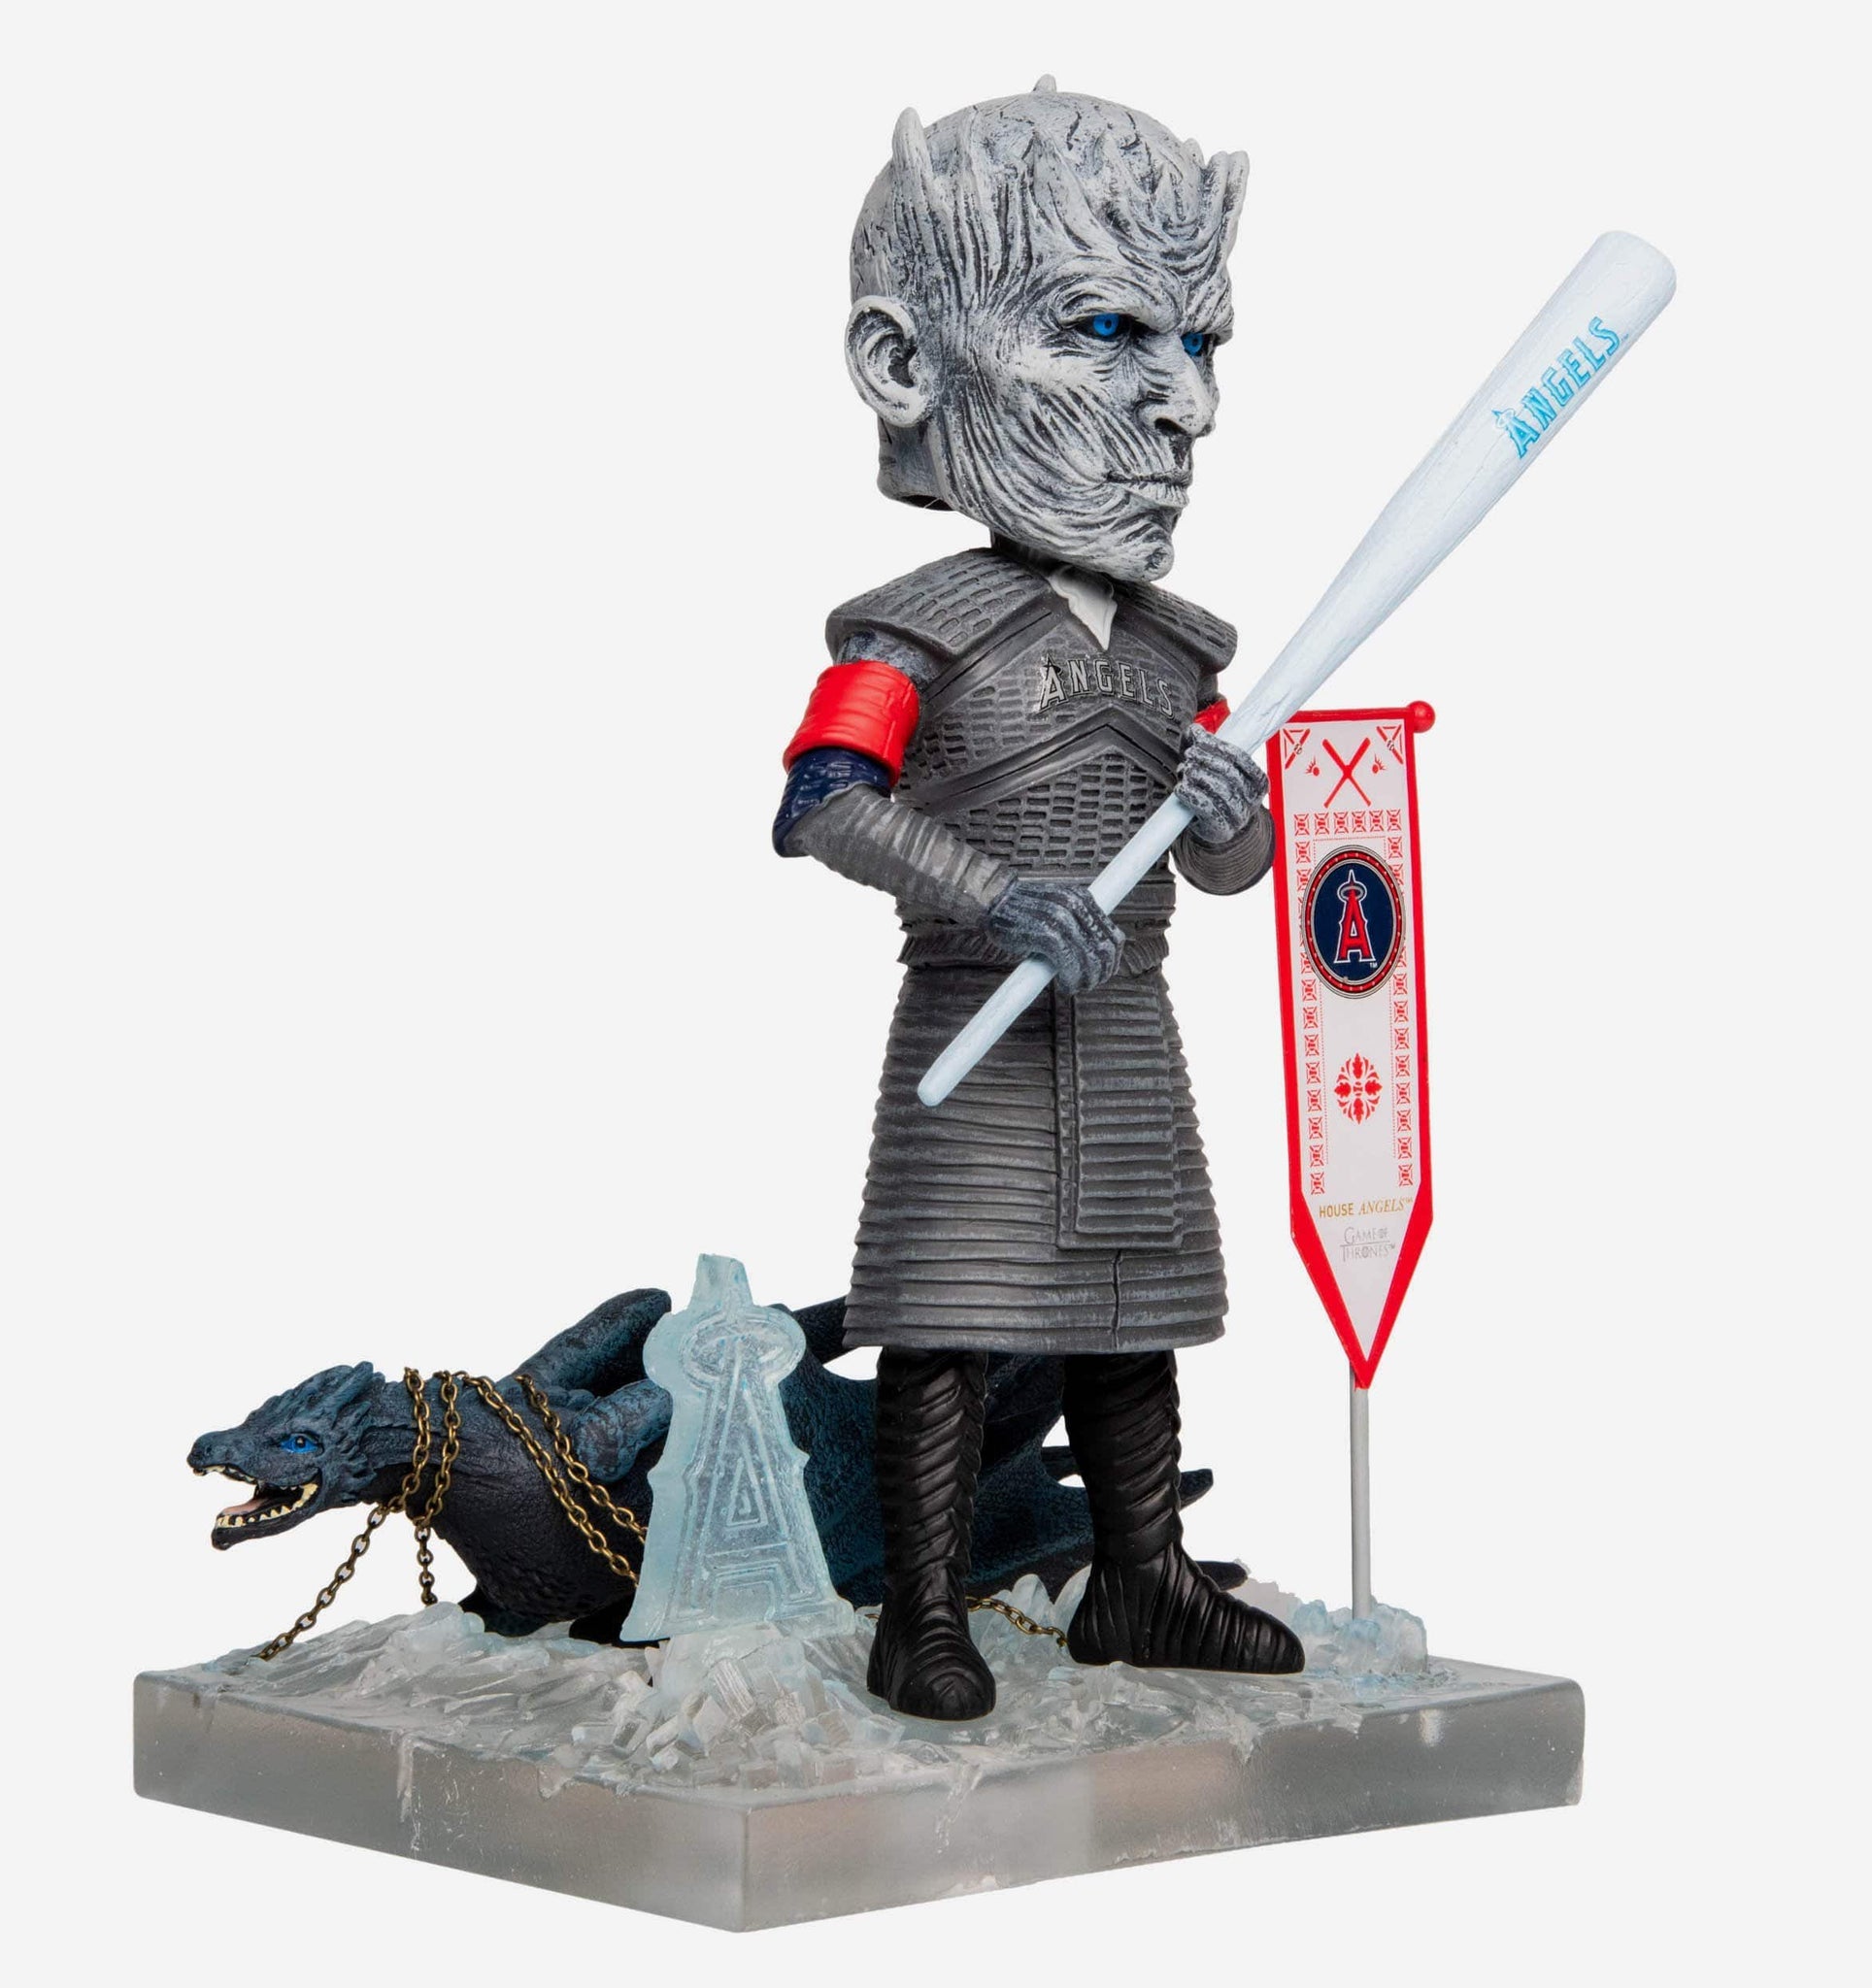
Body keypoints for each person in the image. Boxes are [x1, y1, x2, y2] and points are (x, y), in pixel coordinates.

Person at [775, 82, 1302, 1720]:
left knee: (1132, 1316)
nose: (1186, 408)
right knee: (948, 1316)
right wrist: (994, 897)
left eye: (1201, 346)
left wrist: (1237, 820)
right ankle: (921, 1613)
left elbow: (1221, 867)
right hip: (977, 1022)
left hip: (1126, 1023)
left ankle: (1145, 1578)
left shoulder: (1178, 651)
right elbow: (821, 800)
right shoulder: (910, 634)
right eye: (1109, 330)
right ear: (904, 363)